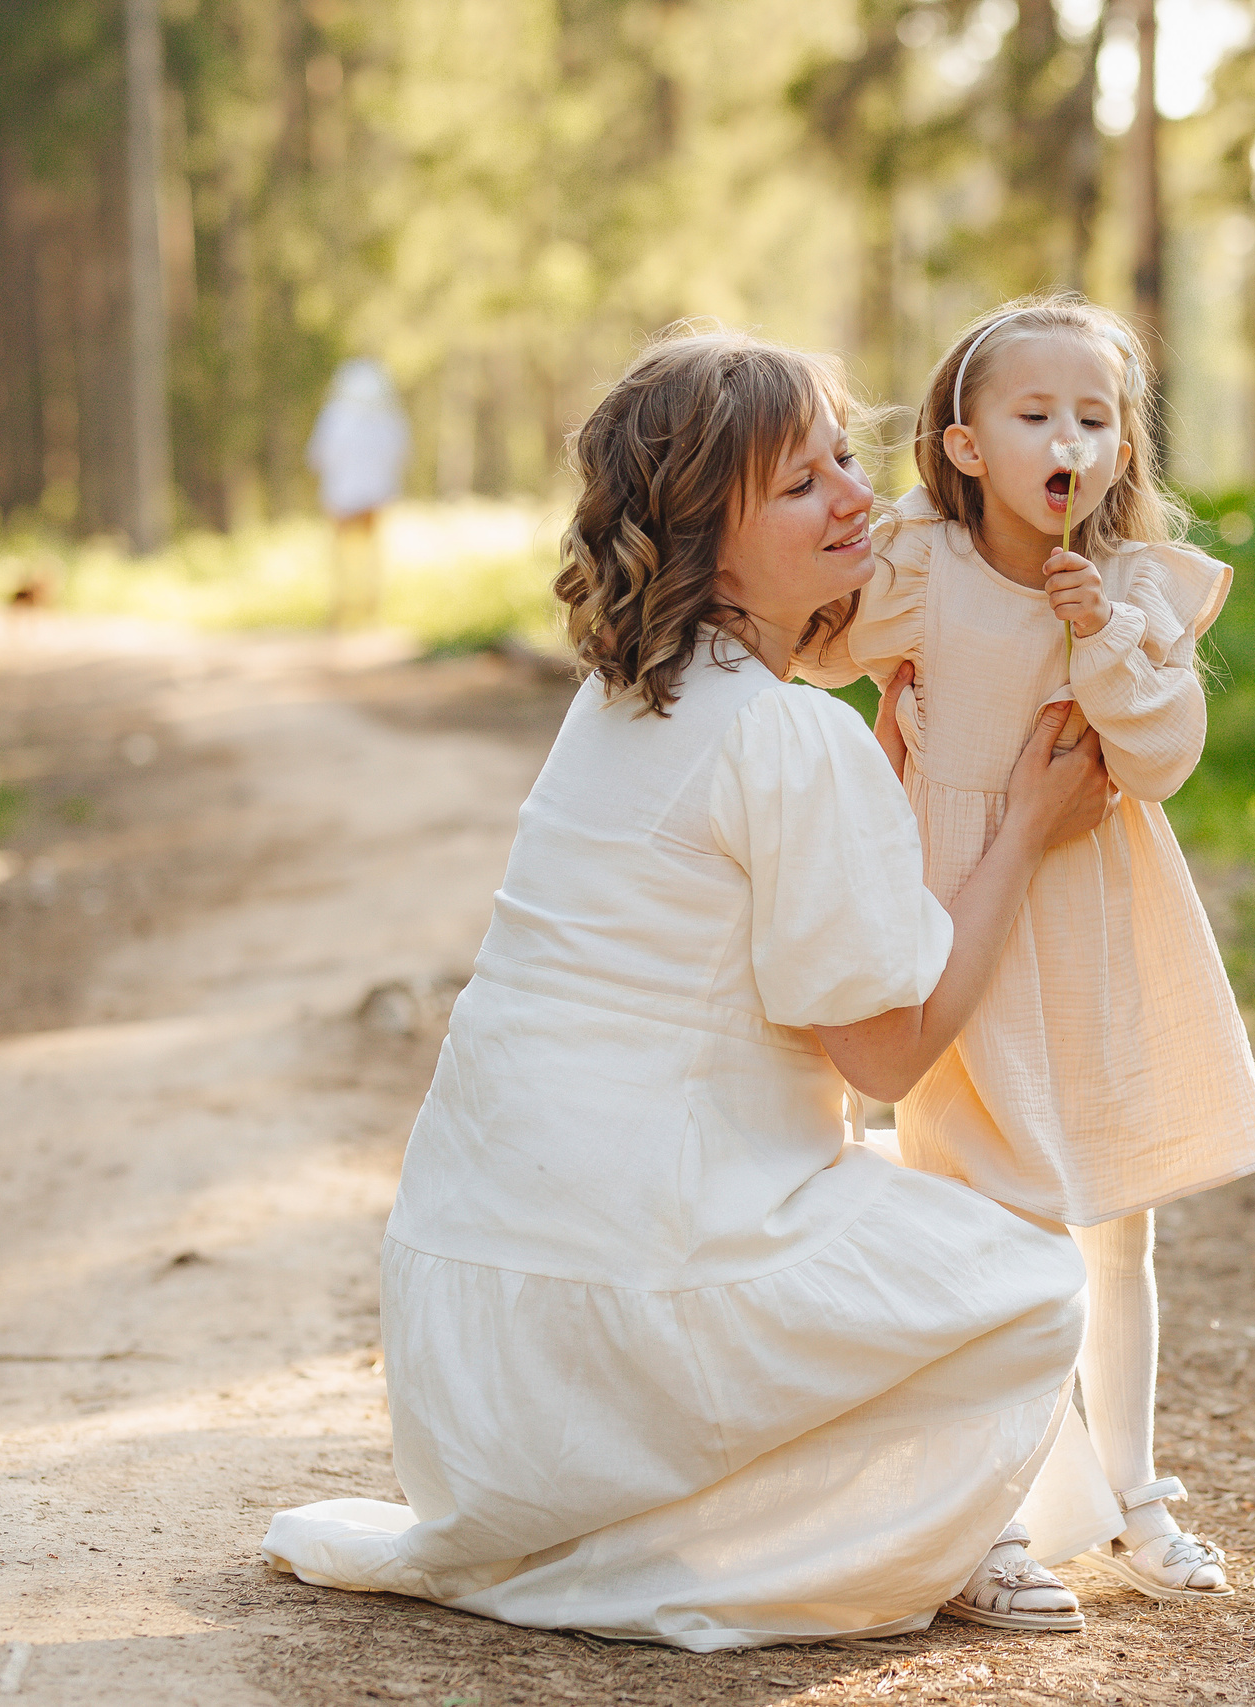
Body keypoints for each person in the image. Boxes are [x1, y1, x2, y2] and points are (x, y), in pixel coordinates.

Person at [261, 328, 1119, 1647]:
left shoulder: (622, 701)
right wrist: (1027, 826)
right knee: (1030, 1276)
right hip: (627, 1321)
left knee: (893, 1214)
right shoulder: (784, 732)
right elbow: (886, 1057)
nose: (857, 496)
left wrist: (885, 779)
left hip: (481, 1356)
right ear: (704, 540)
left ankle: (695, 1507)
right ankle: (880, 1540)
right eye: (801, 484)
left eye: (844, 459)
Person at [798, 295, 1255, 1601]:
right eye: (1034, 413)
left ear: (1122, 446)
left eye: (1095, 416)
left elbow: (1159, 757)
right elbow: (818, 653)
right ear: (965, 447)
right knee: (989, 1221)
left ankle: (1135, 1490)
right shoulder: (928, 568)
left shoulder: (1135, 588)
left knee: (1116, 1224)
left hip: (1103, 923)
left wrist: (1098, 633)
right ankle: (990, 1509)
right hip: (965, 914)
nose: (1070, 437)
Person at [305, 357, 410, 628]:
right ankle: (371, 610)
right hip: (376, 497)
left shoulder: (334, 415)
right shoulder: (388, 418)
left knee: (341, 558)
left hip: (340, 497)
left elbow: (317, 457)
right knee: (372, 556)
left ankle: (341, 610)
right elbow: (401, 455)